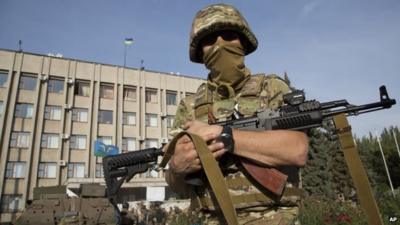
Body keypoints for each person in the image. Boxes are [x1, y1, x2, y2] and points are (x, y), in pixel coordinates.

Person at [164, 3, 309, 225]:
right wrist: (176, 169)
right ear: (200, 52)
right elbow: (177, 185)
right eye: (210, 40)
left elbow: (297, 149)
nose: (220, 45)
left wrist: (224, 135)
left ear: (243, 42)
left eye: (229, 36)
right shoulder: (189, 106)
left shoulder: (271, 87)